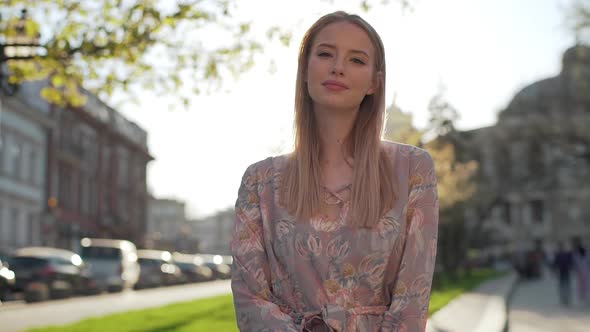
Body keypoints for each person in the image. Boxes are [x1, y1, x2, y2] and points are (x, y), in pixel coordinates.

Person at [230, 11, 439, 332]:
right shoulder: (259, 182)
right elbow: (249, 297)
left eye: (356, 60)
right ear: (305, 68)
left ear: (374, 82)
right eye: (325, 54)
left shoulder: (413, 169)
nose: (337, 67)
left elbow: (413, 296)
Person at [552, 242, 574, 306]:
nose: (561, 248)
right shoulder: (558, 255)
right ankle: (564, 299)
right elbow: (555, 263)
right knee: (562, 286)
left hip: (566, 271)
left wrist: (571, 267)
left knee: (566, 286)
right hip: (562, 272)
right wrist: (554, 270)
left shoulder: (566, 254)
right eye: (560, 247)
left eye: (561, 247)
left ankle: (567, 299)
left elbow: (570, 262)